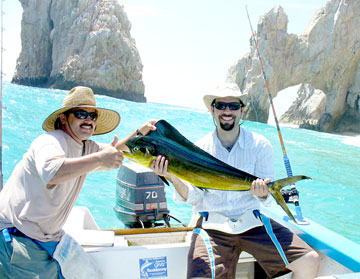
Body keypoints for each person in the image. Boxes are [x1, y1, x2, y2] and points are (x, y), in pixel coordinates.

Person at [151, 83, 320, 279]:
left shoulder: (260, 145)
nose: (227, 111)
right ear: (212, 110)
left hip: (252, 221)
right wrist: (171, 174)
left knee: (310, 260)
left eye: (233, 106)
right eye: (221, 106)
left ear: (242, 110)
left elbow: (268, 200)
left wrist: (264, 193)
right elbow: (195, 197)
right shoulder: (198, 148)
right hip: (211, 224)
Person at [0, 86, 157, 279]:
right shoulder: (50, 141)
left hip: (50, 238)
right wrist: (100, 159)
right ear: (64, 118)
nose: (88, 120)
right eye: (82, 114)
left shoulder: (85, 147)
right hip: (17, 236)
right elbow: (53, 172)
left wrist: (139, 133)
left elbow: (114, 150)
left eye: (93, 116)